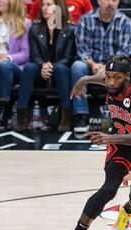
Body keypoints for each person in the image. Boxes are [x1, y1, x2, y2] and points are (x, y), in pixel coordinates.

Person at [59, 56, 131, 230]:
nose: (110, 82)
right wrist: (83, 79)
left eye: (116, 78)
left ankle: (126, 211)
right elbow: (100, 77)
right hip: (121, 148)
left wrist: (110, 137)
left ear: (127, 77)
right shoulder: (110, 82)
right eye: (108, 77)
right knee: (108, 190)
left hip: (118, 139)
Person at [15, 0, 76, 132]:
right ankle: (21, 115)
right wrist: (43, 65)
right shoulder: (35, 29)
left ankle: (66, 116)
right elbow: (35, 56)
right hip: (41, 71)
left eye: (48, 5)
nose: (44, 8)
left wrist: (51, 66)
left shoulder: (70, 30)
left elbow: (68, 57)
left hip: (60, 73)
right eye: (43, 5)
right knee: (30, 67)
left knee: (60, 68)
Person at [71, 0, 131, 133]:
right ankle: (81, 115)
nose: (110, 3)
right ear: (98, 1)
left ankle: (121, 117)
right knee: (77, 66)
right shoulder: (85, 20)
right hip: (91, 65)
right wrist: (93, 65)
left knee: (123, 70)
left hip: (114, 67)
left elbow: (124, 52)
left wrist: (107, 67)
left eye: (114, 0)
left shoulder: (125, 22)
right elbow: (82, 49)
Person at [0, 0, 30, 129]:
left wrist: (7, 58)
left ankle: (4, 109)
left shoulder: (25, 23)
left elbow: (25, 54)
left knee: (5, 66)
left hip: (14, 66)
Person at [29, 0, 94, 24]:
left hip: (75, 36)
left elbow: (91, 19)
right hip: (47, 36)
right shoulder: (43, 1)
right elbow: (31, 19)